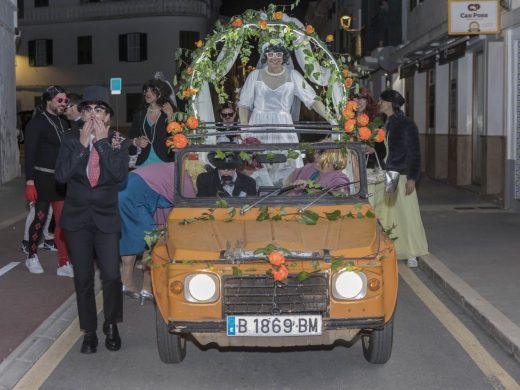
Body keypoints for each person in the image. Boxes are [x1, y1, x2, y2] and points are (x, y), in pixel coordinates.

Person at [55, 86, 129, 354]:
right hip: (77, 220)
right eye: (88, 110)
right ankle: (89, 331)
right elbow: (61, 176)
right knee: (83, 277)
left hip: (106, 219)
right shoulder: (70, 139)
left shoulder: (118, 140)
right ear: (82, 114)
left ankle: (111, 323)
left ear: (108, 116)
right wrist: (83, 146)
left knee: (111, 275)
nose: (93, 116)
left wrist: (100, 143)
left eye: (99, 110)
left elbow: (120, 175)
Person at [372, 89, 428, 268]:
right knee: (390, 212)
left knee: (407, 214)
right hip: (391, 173)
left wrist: (413, 178)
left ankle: (412, 252)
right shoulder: (385, 123)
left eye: (382, 100)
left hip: (402, 174)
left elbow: (415, 152)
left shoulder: (406, 124)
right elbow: (386, 150)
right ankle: (394, 248)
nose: (379, 103)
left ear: (390, 103)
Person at [24, 85, 72, 277]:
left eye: (65, 101)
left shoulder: (62, 123)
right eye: (60, 100)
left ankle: (63, 263)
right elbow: (29, 155)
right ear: (48, 101)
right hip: (41, 178)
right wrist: (29, 182)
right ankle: (31, 256)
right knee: (40, 219)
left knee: (62, 222)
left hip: (60, 179)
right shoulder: (36, 123)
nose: (63, 104)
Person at [118, 163, 175, 305]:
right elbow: (180, 207)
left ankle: (126, 283)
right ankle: (148, 288)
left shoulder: (165, 168)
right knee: (153, 242)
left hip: (118, 194)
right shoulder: (182, 177)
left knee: (128, 238)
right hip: (134, 200)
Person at [129, 78, 176, 167]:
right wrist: (137, 142)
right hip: (142, 163)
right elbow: (131, 139)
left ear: (161, 93)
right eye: (146, 91)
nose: (147, 93)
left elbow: (177, 138)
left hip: (165, 162)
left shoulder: (169, 113)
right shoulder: (139, 115)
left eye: (152, 91)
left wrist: (170, 116)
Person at [286, 148, 350, 195]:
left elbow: (342, 196)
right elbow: (286, 184)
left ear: (332, 158)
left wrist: (310, 186)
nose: (315, 155)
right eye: (316, 152)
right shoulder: (308, 169)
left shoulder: (339, 178)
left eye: (320, 153)